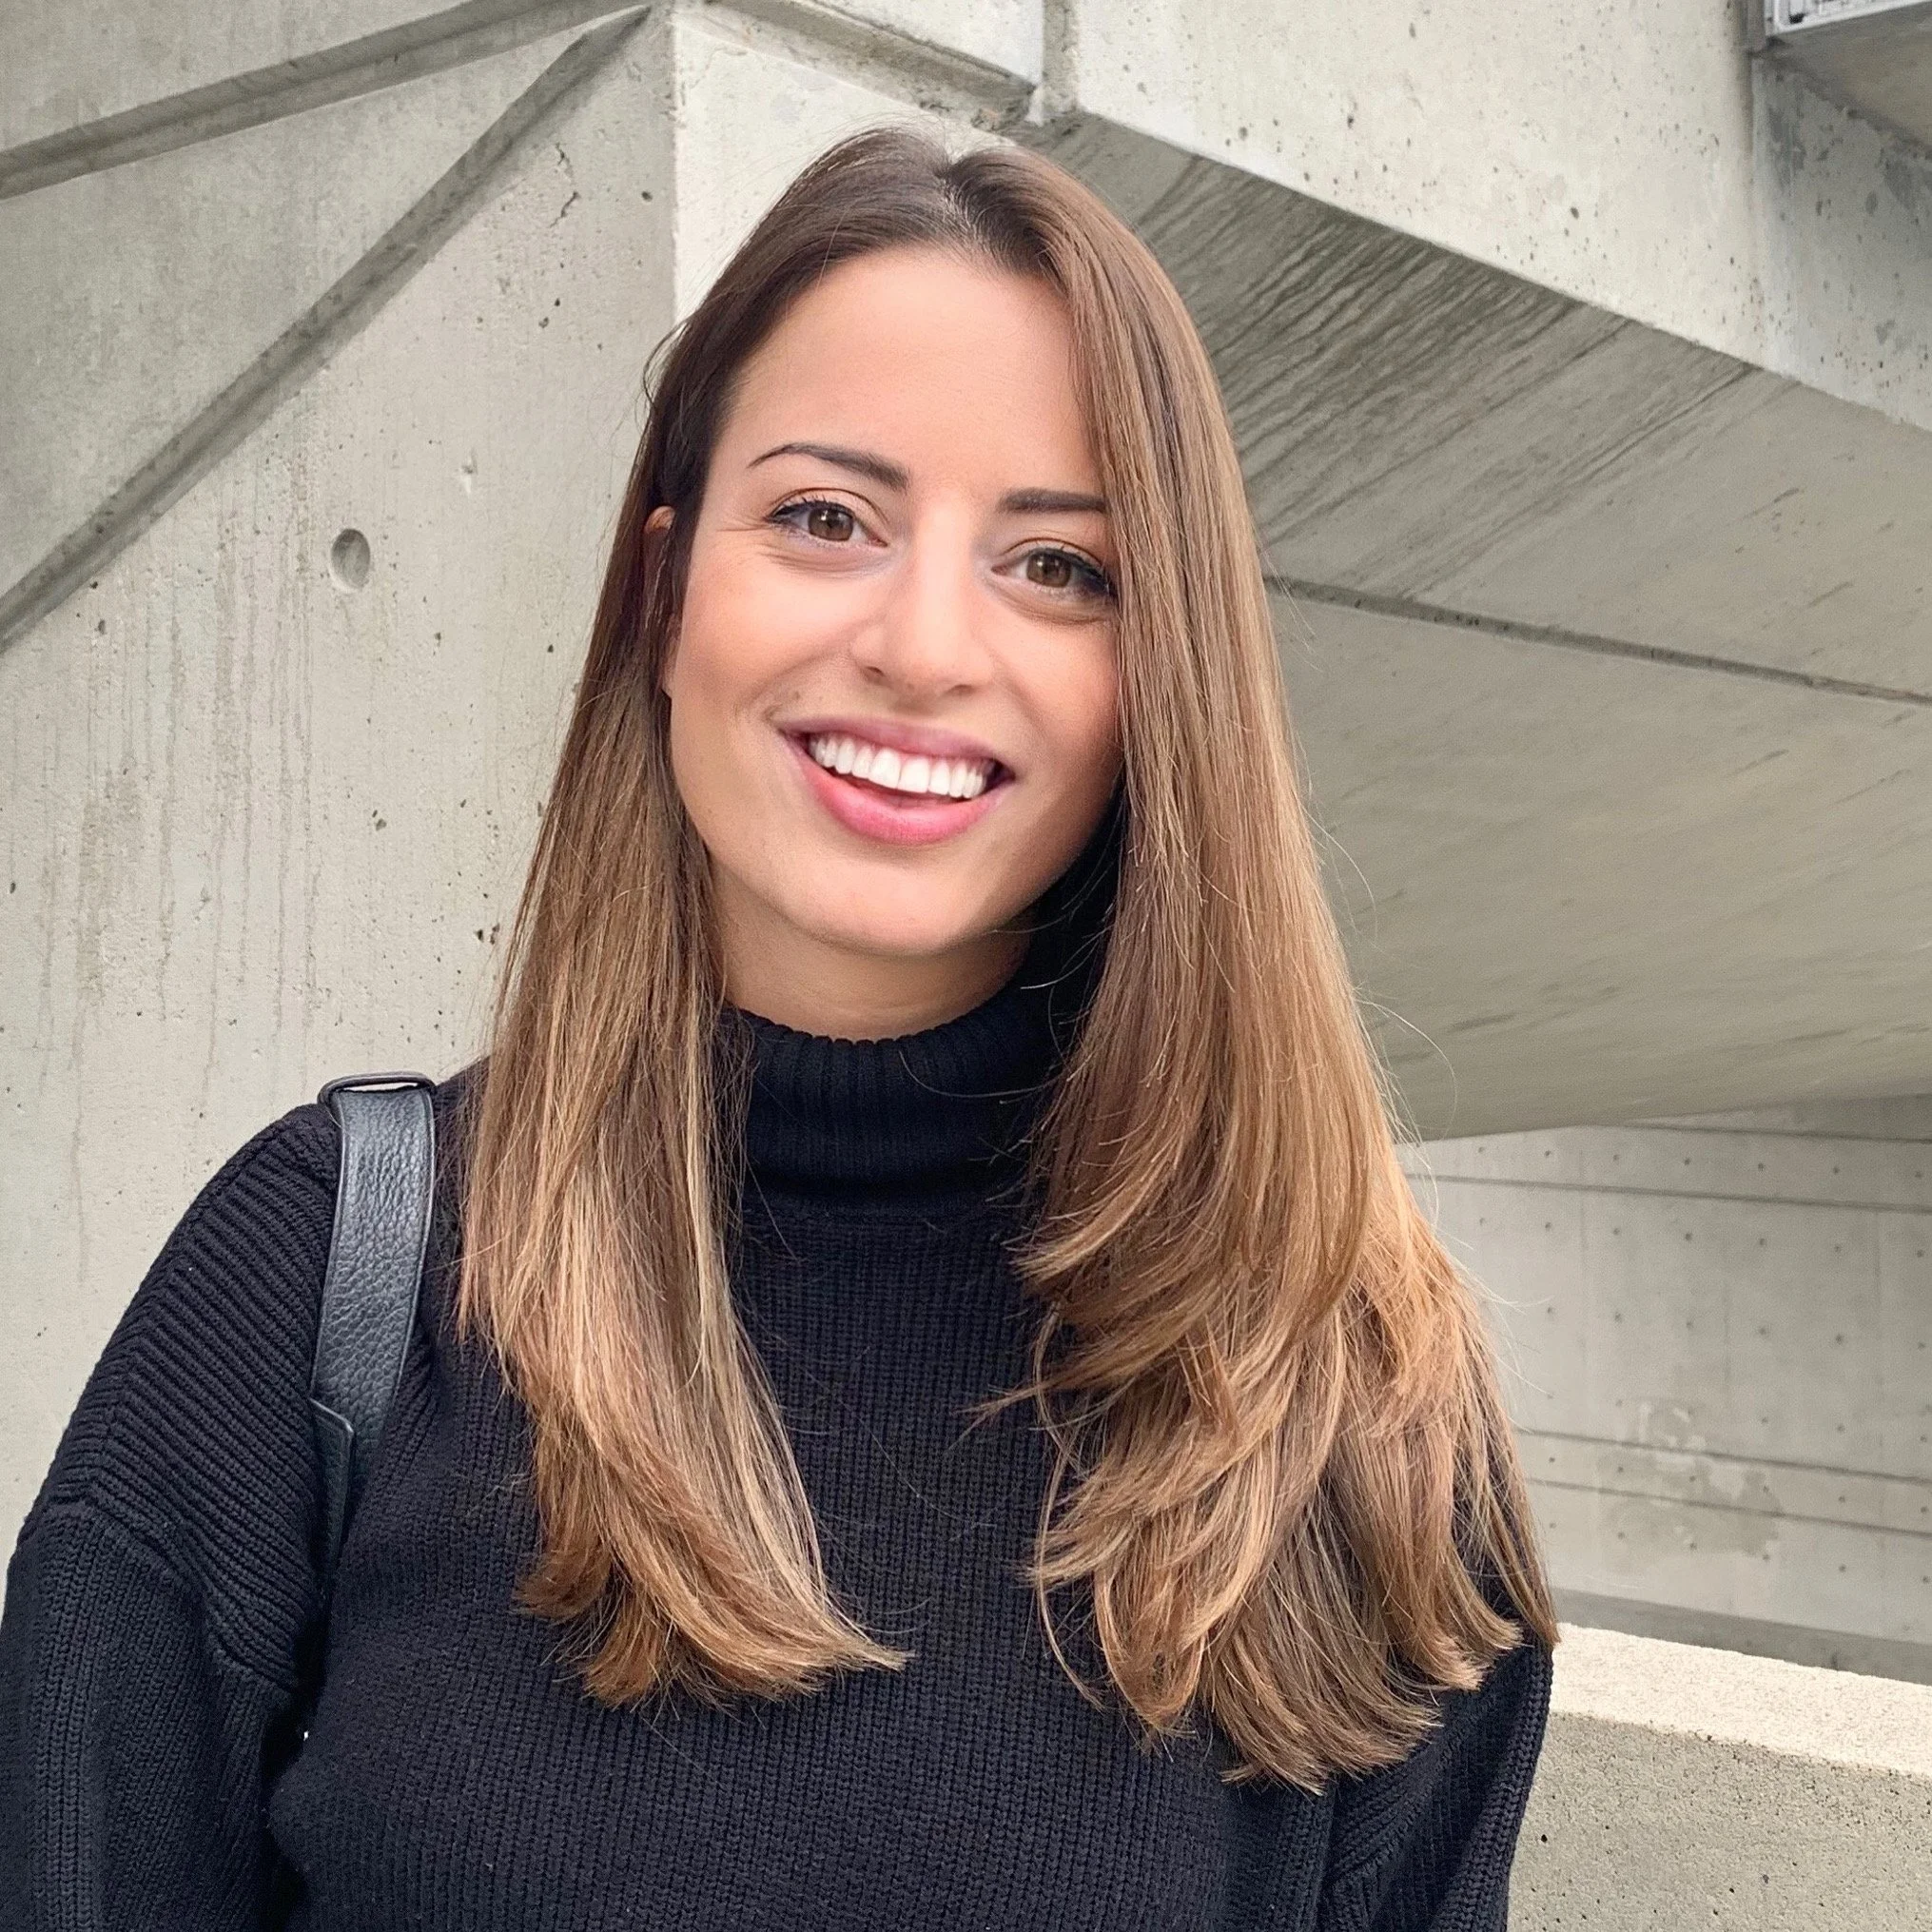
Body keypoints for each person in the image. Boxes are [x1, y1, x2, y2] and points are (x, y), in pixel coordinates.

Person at [0, 126, 1555, 1930]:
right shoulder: (317, 1285)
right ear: (665, 594)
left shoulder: (1352, 1402)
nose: (923, 644)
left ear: (1163, 676)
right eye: (827, 519)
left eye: (1059, 565)